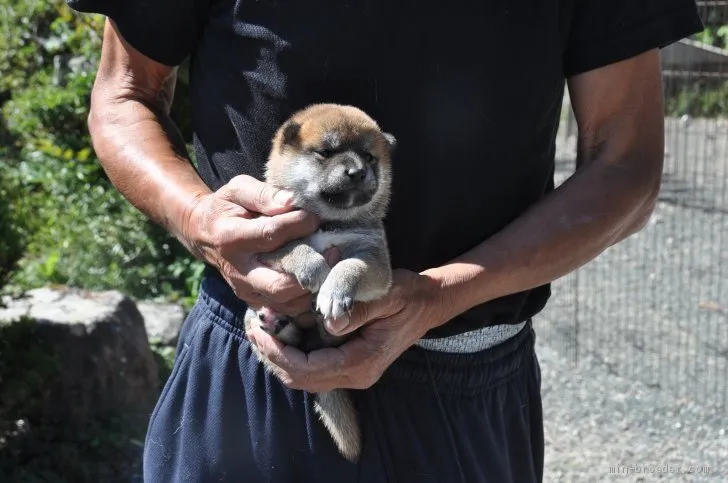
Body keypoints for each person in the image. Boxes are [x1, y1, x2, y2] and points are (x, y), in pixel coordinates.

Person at [65, 1, 704, 481]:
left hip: (466, 382)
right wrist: (201, 218)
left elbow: (626, 165)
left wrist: (439, 295)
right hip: (257, 358)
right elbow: (124, 94)